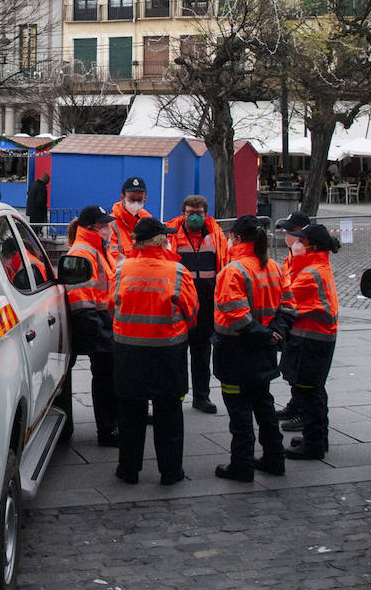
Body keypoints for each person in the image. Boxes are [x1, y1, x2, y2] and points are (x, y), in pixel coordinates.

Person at [113, 216, 198, 486]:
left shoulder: (122, 269)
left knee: (130, 414)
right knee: (169, 413)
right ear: (162, 241)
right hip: (167, 353)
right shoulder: (177, 272)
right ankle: (171, 473)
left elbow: (110, 304)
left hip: (128, 352)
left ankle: (128, 471)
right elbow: (193, 312)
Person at [212, 214, 288, 482]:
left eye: (231, 236)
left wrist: (262, 335)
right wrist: (275, 333)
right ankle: (275, 458)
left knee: (239, 413)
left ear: (238, 238)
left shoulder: (234, 270)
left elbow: (234, 313)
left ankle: (241, 465)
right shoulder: (274, 268)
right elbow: (287, 305)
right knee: (264, 405)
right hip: (263, 352)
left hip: (235, 352)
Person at [60, 204, 119, 446]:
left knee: (108, 380)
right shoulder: (83, 252)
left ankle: (111, 426)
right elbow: (81, 299)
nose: (108, 228)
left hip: (106, 324)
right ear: (91, 228)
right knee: (105, 381)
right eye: (104, 225)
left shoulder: (97, 249)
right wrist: (98, 332)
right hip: (98, 325)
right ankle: (107, 431)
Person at [280, 222, 339, 461]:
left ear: (311, 246)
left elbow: (286, 299)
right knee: (314, 390)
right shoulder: (317, 267)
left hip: (310, 340)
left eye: (300, 242)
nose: (295, 244)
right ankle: (316, 438)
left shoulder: (310, 274)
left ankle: (313, 444)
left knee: (307, 391)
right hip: (317, 337)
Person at [166, 194, 229, 414]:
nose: (194, 217)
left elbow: (224, 263)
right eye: (190, 213)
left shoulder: (216, 235)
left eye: (198, 213)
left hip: (207, 303)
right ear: (183, 213)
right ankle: (178, 394)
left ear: (205, 214)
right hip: (180, 303)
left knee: (202, 353)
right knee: (178, 353)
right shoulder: (171, 234)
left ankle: (201, 397)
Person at [273, 210, 312, 429]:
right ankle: (295, 405)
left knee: (302, 374)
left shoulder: (305, 256)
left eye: (291, 230)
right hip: (294, 319)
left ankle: (303, 413)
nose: (287, 234)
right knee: (291, 369)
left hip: (304, 323)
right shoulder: (294, 253)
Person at [108, 176, 150, 266]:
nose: (135, 203)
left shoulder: (148, 221)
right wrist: (134, 267)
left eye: (139, 199)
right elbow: (112, 254)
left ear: (145, 199)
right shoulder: (111, 223)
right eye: (132, 198)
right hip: (121, 274)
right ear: (122, 197)